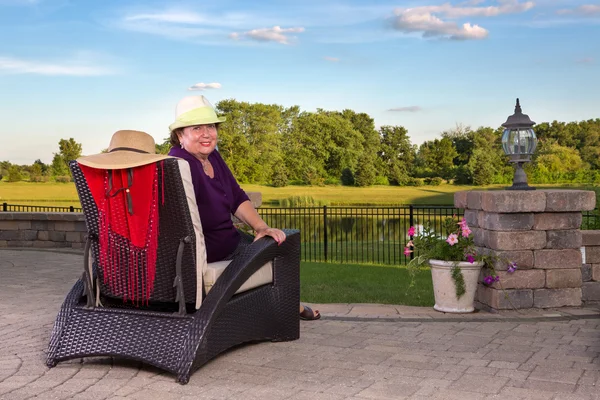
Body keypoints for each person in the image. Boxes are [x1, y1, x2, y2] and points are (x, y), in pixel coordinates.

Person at [167, 95, 320, 321]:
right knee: (277, 251)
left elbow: (236, 197)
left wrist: (261, 227)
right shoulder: (179, 163)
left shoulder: (212, 157)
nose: (207, 133)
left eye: (211, 126)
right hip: (211, 249)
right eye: (197, 127)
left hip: (228, 238)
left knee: (276, 242)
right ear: (181, 134)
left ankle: (282, 305)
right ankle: (290, 307)